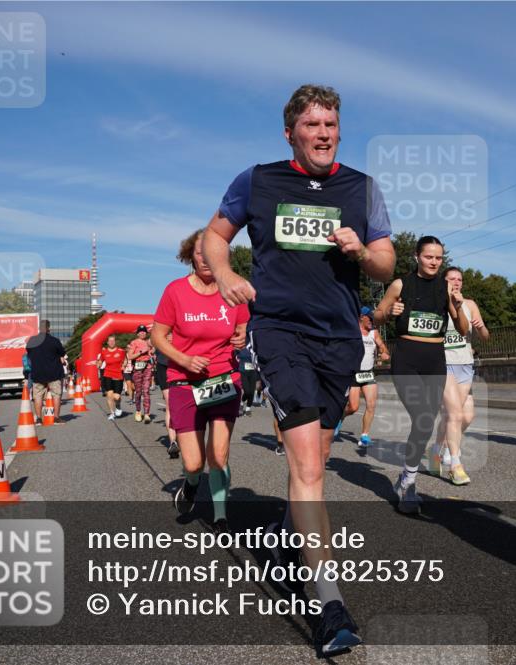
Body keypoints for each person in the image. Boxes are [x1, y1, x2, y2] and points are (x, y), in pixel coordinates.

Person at [203, 84, 395, 657]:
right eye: (312, 125)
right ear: (290, 131)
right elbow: (216, 234)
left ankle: (291, 536)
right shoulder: (258, 180)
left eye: (331, 125)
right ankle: (328, 603)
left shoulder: (362, 188)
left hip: (340, 338)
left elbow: (386, 264)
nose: (324, 134)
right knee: (308, 463)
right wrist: (228, 274)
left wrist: (362, 250)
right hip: (280, 332)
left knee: (320, 453)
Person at [153, 230, 249, 536]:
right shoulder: (175, 291)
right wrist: (183, 359)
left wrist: (242, 335)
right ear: (189, 257)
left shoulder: (233, 289)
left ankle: (220, 516)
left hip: (224, 378)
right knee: (194, 463)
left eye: (212, 252)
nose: (206, 258)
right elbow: (158, 336)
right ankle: (191, 485)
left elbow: (243, 326)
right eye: (199, 253)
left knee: (218, 456)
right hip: (185, 382)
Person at [373, 237, 468, 513]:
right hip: (407, 360)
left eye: (439, 258)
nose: (434, 262)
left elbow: (462, 330)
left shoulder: (447, 287)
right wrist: (389, 311)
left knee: (426, 421)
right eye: (429, 257)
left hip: (435, 361)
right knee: (423, 417)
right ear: (417, 257)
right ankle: (410, 483)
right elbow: (376, 316)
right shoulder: (401, 284)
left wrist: (459, 306)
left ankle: (406, 479)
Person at [432, 267, 490, 484]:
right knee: (454, 412)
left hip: (465, 364)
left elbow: (484, 337)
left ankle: (437, 449)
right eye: (451, 279)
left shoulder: (470, 304)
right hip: (443, 363)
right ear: (443, 282)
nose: (456, 283)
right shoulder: (436, 302)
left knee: (465, 416)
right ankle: (455, 464)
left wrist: (481, 326)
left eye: (459, 279)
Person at [338, 307, 389, 448]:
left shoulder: (373, 333)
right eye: (370, 318)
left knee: (371, 405)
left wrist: (384, 352)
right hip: (354, 373)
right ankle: (340, 417)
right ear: (362, 317)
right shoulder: (352, 332)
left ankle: (364, 436)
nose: (373, 321)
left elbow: (383, 347)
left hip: (368, 372)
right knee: (353, 407)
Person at [26, 320, 67, 424]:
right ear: (49, 328)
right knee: (56, 395)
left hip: (38, 373)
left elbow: (29, 353)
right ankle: (56, 418)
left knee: (38, 396)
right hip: (54, 373)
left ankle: (39, 419)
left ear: (39, 328)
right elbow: (62, 353)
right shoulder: (55, 341)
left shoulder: (32, 341)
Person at [153, 334, 179, 458]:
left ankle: (186, 435)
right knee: (170, 404)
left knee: (184, 404)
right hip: (164, 366)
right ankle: (173, 441)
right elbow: (150, 340)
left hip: (181, 365)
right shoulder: (162, 325)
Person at [126, 326, 154, 423]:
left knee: (146, 390)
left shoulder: (148, 342)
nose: (142, 333)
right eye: (141, 332)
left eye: (144, 332)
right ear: (137, 333)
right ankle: (138, 411)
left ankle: (147, 414)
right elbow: (130, 356)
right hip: (137, 368)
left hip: (147, 367)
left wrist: (152, 352)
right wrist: (142, 351)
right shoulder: (134, 343)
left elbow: (151, 354)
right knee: (138, 392)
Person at [98, 335, 126, 420]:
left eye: (113, 341)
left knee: (116, 397)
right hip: (107, 375)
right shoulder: (104, 352)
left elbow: (125, 360)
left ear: (115, 342)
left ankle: (118, 406)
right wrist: (98, 364)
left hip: (118, 375)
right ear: (107, 342)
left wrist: (124, 365)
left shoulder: (121, 351)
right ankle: (112, 413)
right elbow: (100, 360)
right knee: (109, 395)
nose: (111, 342)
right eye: (110, 341)